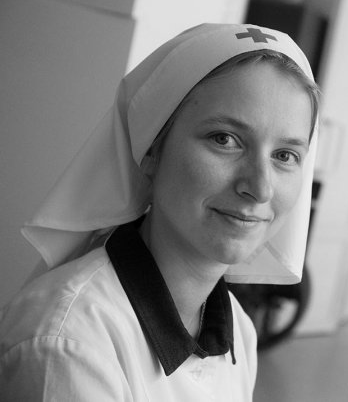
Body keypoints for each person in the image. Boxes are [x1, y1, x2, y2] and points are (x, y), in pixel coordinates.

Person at [0, 23, 320, 401]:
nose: (261, 187)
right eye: (225, 139)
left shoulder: (239, 330)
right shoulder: (70, 344)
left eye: (285, 155)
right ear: (152, 150)